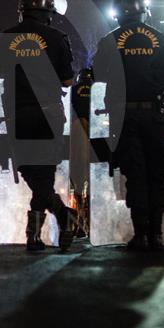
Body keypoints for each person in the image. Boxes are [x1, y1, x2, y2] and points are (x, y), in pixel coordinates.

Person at [0, 0, 76, 252]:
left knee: (28, 170)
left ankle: (36, 235)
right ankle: (61, 216)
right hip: (48, 113)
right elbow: (67, 80)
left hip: (19, 113)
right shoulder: (57, 37)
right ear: (48, 14)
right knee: (45, 173)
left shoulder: (5, 38)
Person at [94, 0, 164, 250]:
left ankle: (140, 233)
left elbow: (98, 74)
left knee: (134, 174)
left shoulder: (110, 40)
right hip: (153, 115)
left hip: (123, 116)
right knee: (156, 173)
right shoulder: (160, 39)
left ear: (118, 14)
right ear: (145, 12)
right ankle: (155, 233)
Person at [69, 67, 94, 237]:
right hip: (93, 132)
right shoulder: (96, 88)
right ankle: (90, 223)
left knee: (76, 180)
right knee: (92, 180)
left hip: (76, 131)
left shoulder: (73, 90)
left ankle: (79, 223)